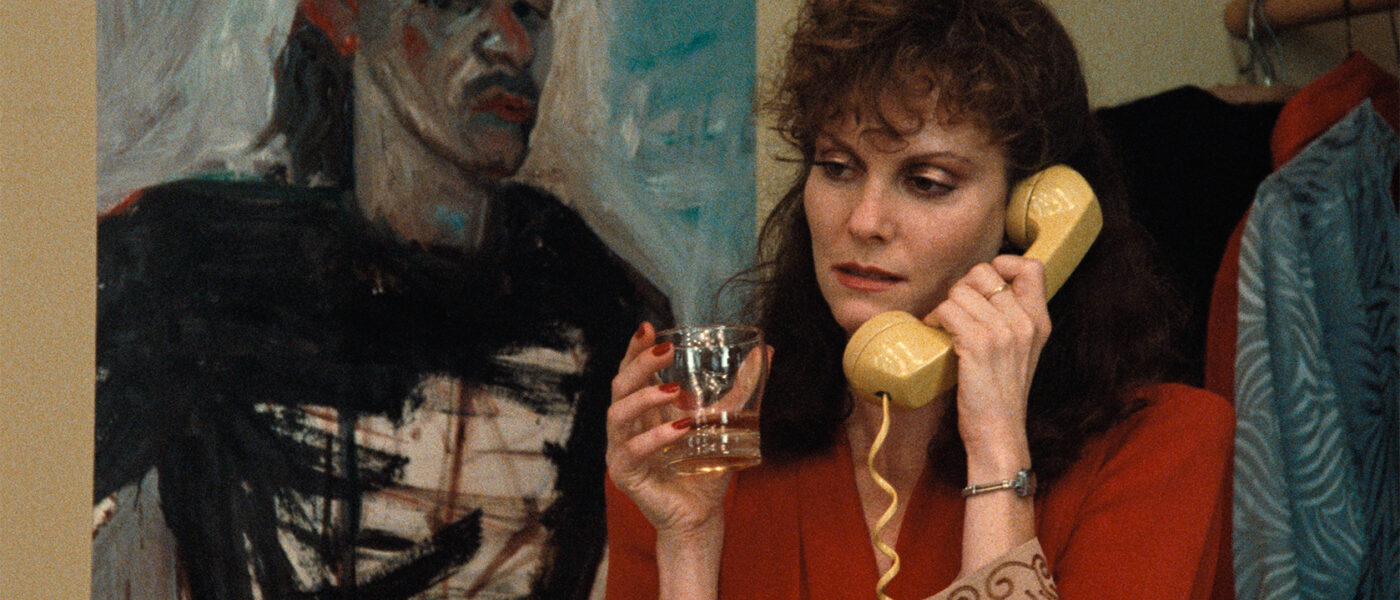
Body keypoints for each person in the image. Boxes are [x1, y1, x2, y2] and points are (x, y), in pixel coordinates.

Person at [604, 0, 1234, 598]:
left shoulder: (1165, 446)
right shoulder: (705, 447)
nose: (864, 221)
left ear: (1027, 211)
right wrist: (688, 544)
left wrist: (998, 454)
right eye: (837, 167)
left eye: (926, 182)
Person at [94, 1, 668, 598]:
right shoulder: (185, 270)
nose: (516, 45)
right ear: (343, 15)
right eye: (454, 3)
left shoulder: (604, 310)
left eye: (533, 9)